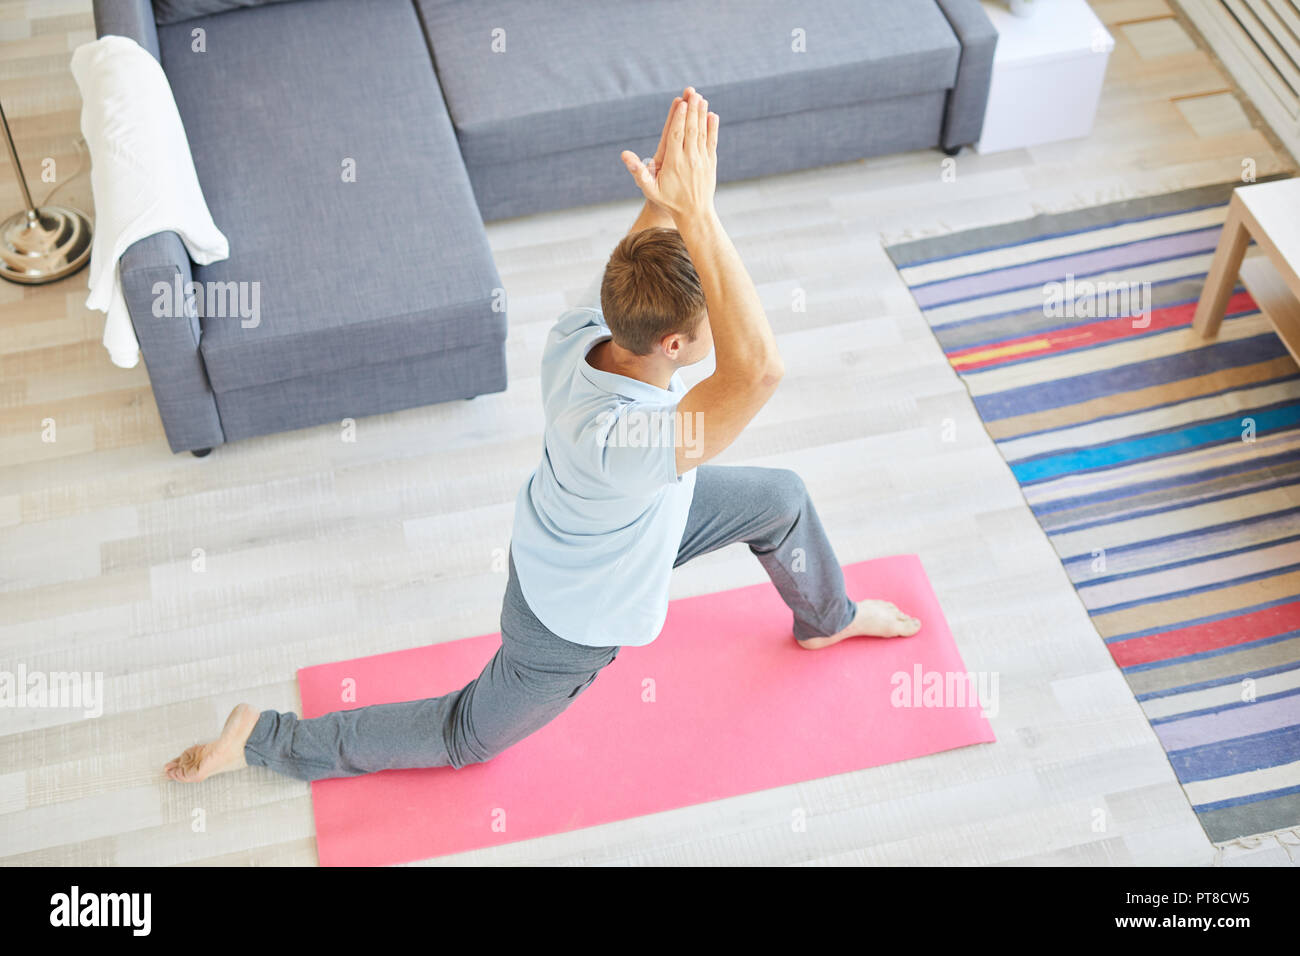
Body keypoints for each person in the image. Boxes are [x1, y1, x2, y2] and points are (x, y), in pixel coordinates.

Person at [165, 88, 921, 785]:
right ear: (672, 348)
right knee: (467, 738)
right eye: (705, 331)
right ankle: (263, 737)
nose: (717, 335)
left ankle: (829, 619)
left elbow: (642, 261)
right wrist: (702, 215)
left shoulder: (586, 327)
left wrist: (670, 201)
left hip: (628, 520)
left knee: (779, 499)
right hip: (567, 614)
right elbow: (760, 372)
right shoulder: (632, 441)